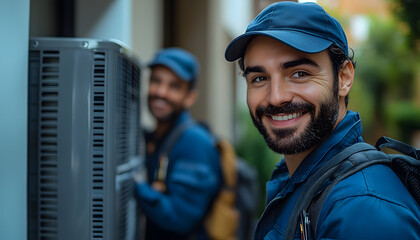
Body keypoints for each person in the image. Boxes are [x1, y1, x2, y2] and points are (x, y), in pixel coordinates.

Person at [224, 2, 420, 240]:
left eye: (299, 74)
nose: (276, 97)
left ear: (344, 78)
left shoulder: (361, 208)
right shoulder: (297, 179)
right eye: (259, 78)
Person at [134, 47, 222, 239]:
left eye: (174, 86)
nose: (161, 92)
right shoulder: (155, 137)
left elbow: (180, 217)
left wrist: (136, 186)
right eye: (156, 81)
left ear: (190, 97)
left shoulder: (195, 142)